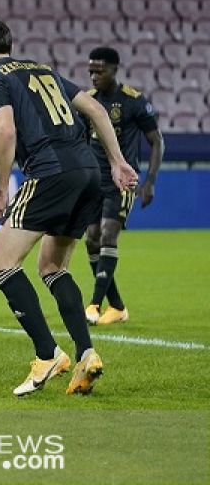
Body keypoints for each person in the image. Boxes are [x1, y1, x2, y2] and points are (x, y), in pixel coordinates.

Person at [0, 19, 137, 397]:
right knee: (52, 267)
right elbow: (94, 106)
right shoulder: (43, 69)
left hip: (49, 173)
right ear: (10, 43)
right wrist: (117, 161)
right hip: (87, 172)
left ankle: (48, 355)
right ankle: (86, 353)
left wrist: (1, 189)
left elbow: (5, 131)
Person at [83, 47, 164, 326]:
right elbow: (81, 140)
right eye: (90, 71)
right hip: (93, 181)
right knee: (91, 238)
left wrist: (150, 181)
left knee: (108, 233)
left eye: (100, 71)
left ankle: (94, 304)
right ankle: (116, 307)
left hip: (122, 180)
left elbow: (156, 141)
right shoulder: (88, 102)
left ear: (115, 70)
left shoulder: (133, 101)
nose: (94, 76)